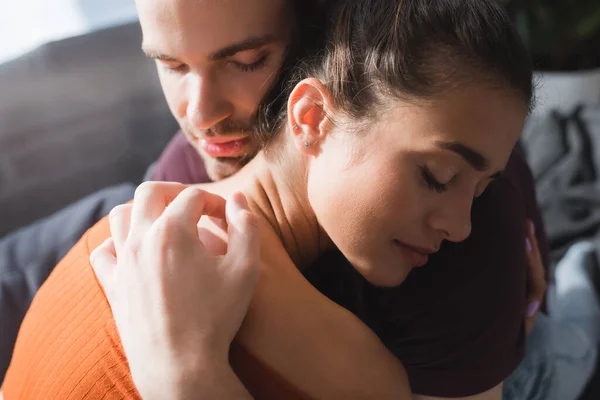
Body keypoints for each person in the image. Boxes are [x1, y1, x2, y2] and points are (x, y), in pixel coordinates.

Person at [1, 0, 542, 398]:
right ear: (310, 117)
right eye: (172, 65)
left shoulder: (473, 249)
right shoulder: (179, 179)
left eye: (247, 59)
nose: (202, 115)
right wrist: (186, 376)